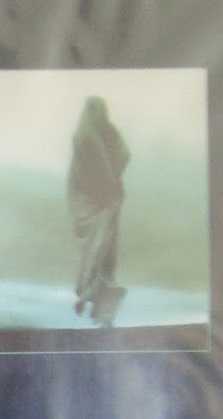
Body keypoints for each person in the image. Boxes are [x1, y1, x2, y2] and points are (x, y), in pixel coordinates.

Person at [67, 96, 130, 327]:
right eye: (96, 111)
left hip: (105, 203)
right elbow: (89, 172)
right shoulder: (85, 137)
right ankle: (92, 296)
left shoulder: (103, 134)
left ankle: (94, 299)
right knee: (98, 248)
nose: (100, 116)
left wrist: (112, 181)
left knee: (104, 248)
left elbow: (123, 155)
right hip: (96, 202)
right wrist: (110, 184)